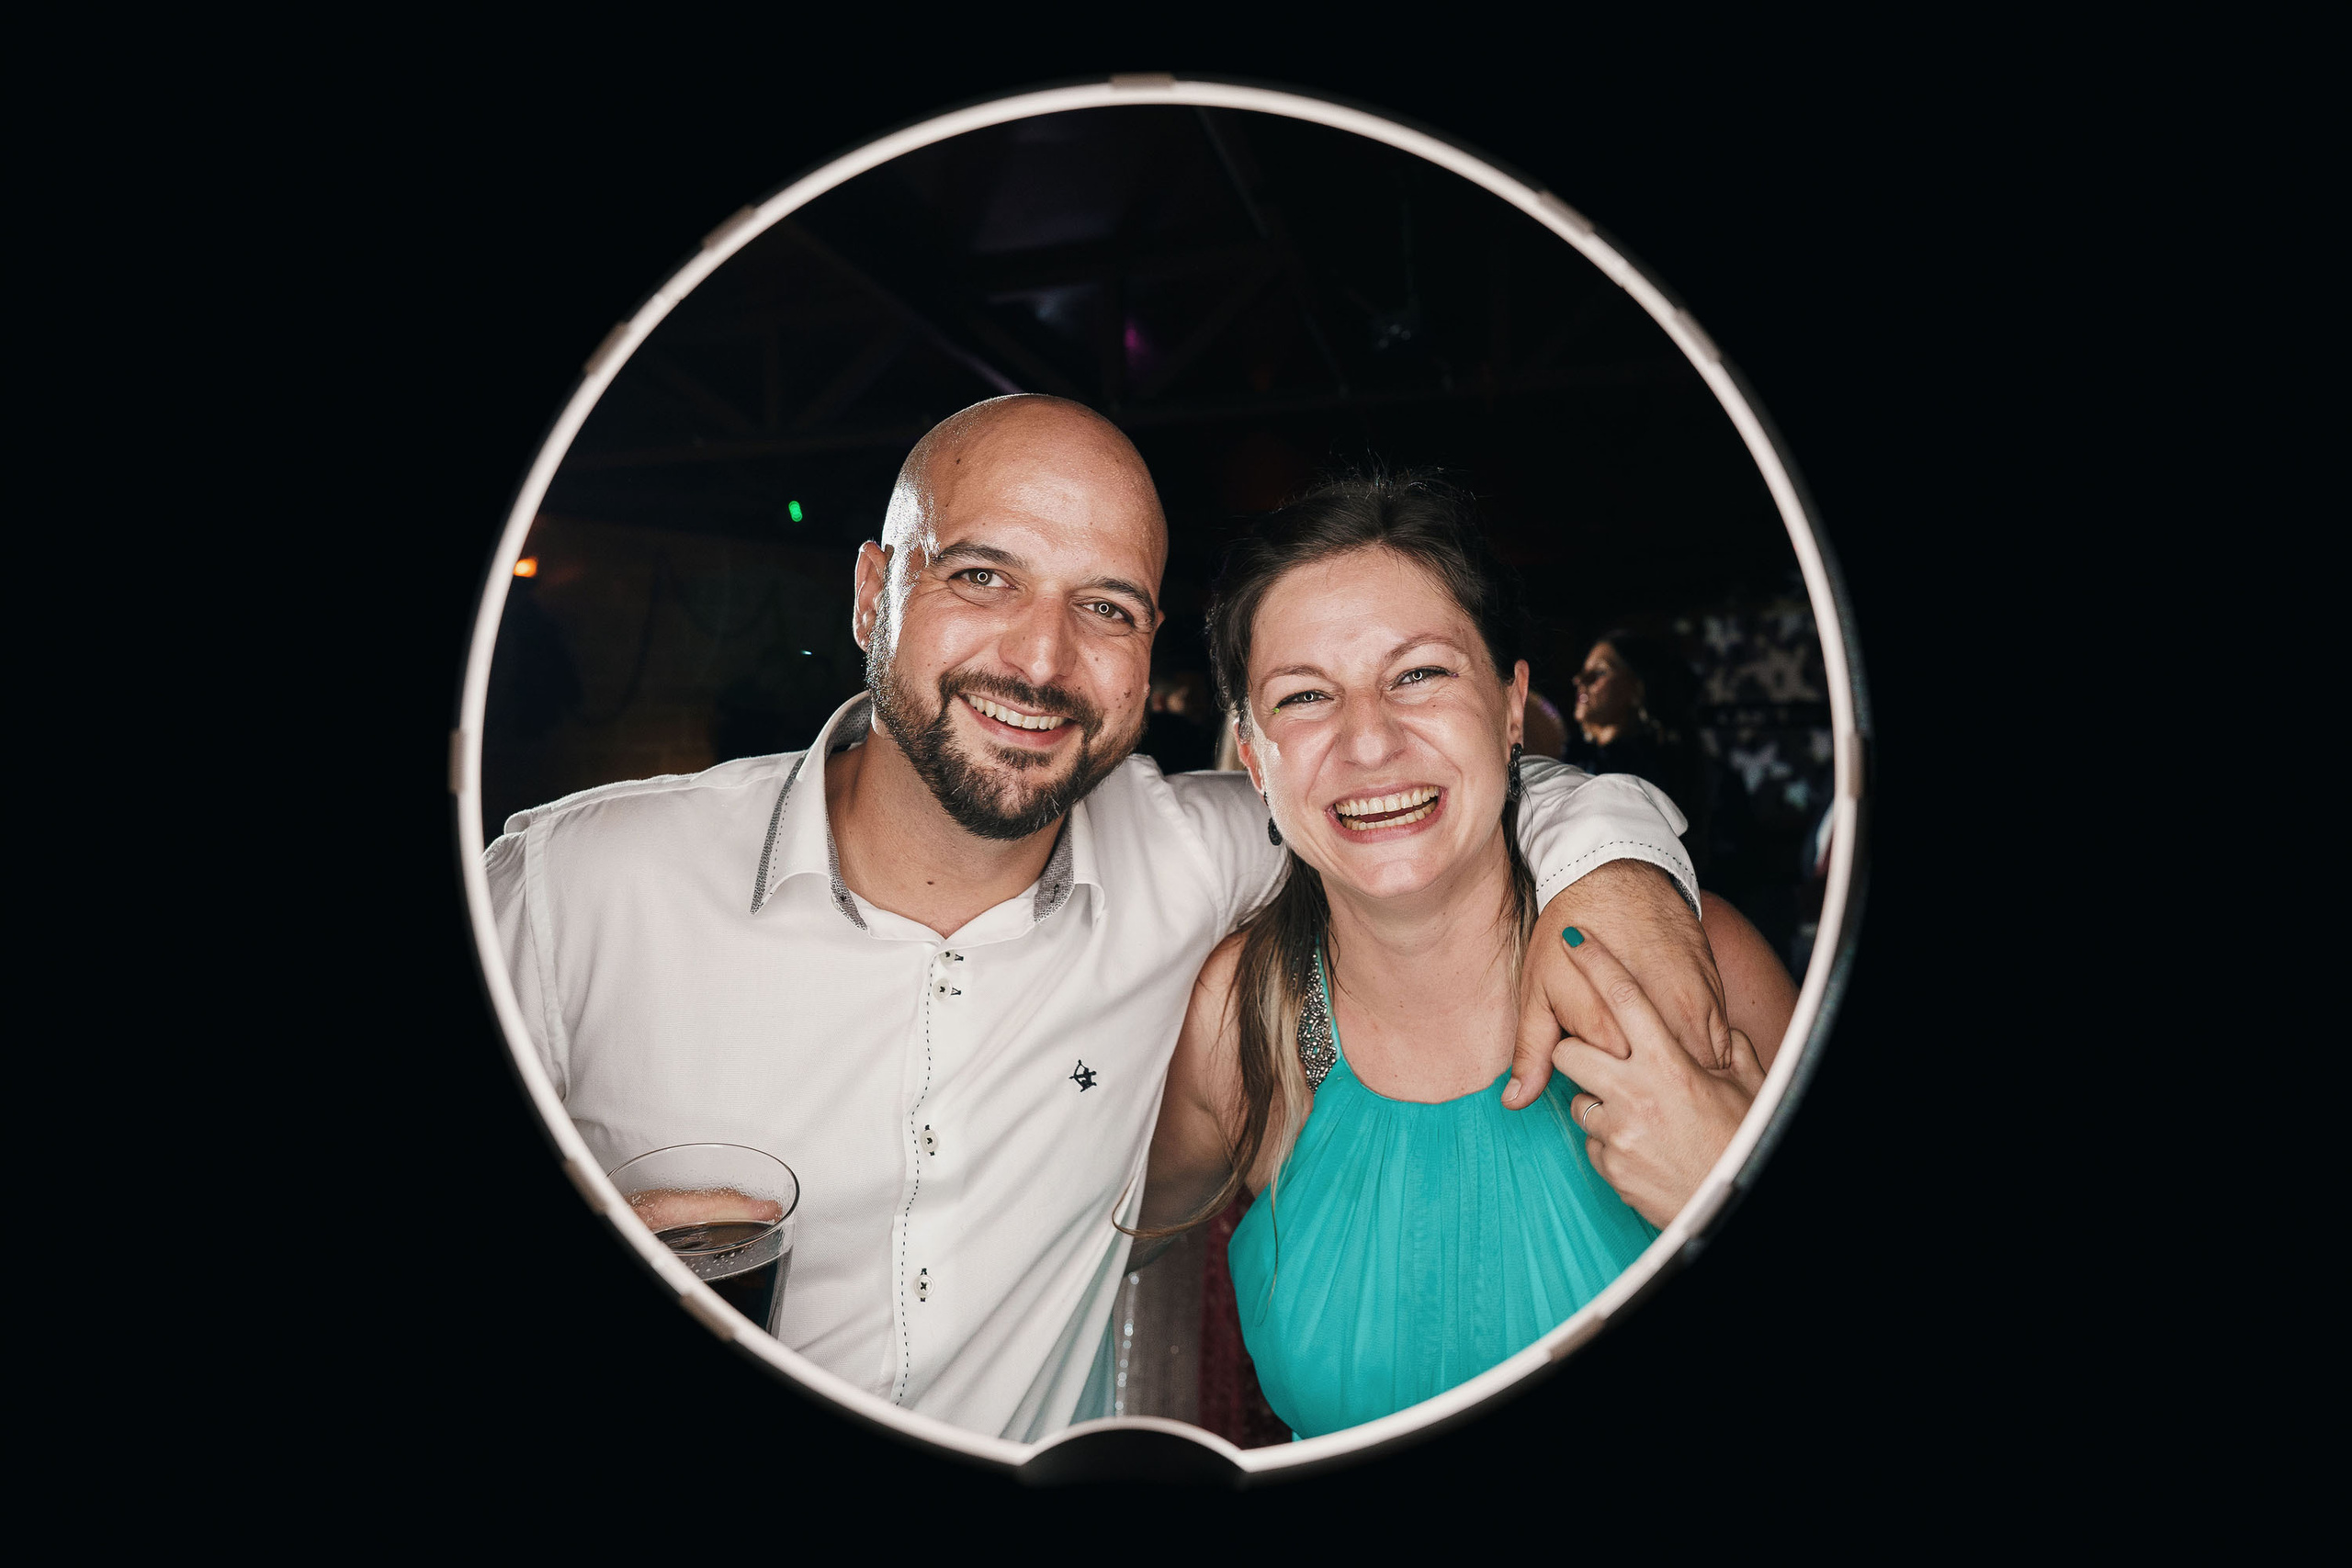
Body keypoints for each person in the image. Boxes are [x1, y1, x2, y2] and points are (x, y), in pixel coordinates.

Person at [486, 397, 1727, 1440]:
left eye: (1108, 606)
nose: (1041, 658)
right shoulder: (574, 890)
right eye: (983, 574)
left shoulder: (1198, 854)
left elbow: (1418, 799)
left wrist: (1614, 865)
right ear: (874, 593)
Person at [1140, 475, 1796, 1439]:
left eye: (1419, 675)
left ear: (1510, 704)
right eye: (1306, 695)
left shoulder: (1692, 967)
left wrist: (1721, 1195)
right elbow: (1060, 1256)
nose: (1369, 740)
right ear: (1250, 746)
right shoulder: (1238, 1012)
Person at [1565, 629, 1713, 875]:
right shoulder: (1578, 758)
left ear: (1637, 689)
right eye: (1584, 669)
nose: (1580, 679)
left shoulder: (1646, 771)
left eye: (1600, 672)